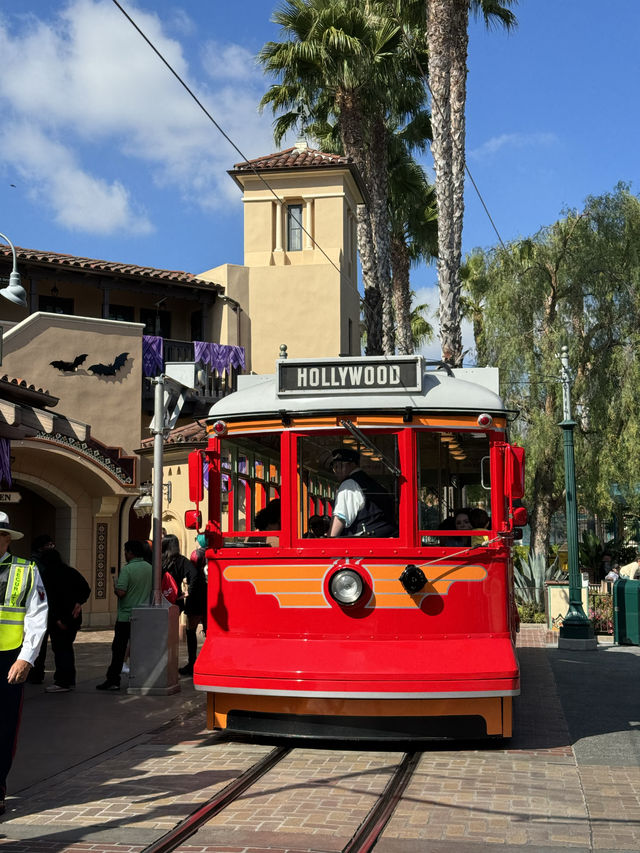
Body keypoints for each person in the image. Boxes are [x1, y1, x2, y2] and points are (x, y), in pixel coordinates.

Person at [0, 512, 48, 815]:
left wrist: (26, 658)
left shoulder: (26, 570)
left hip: (8, 660)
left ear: (7, 538)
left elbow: (37, 616)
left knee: (3, 728)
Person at [96, 540, 152, 691]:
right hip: (144, 615)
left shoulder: (127, 570)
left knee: (119, 649)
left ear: (130, 552)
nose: (125, 554)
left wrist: (115, 587)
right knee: (140, 648)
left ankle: (113, 679)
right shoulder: (150, 568)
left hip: (126, 616)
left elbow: (121, 592)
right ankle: (144, 677)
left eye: (125, 552)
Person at [36, 548, 91, 693]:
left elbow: (50, 600)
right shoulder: (71, 572)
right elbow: (86, 589)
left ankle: (62, 681)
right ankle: (68, 679)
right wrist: (79, 602)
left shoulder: (48, 575)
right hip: (73, 617)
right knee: (67, 648)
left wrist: (57, 619)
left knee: (61, 650)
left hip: (59, 618)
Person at [162, 535, 206, 677]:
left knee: (163, 633)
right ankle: (191, 662)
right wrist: (187, 593)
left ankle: (163, 663)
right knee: (180, 632)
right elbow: (194, 575)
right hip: (176, 600)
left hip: (161, 599)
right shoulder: (182, 560)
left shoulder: (160, 561)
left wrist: (189, 592)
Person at [328, 448, 397, 538]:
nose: (336, 471)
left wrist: (328, 540)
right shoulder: (373, 483)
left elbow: (339, 518)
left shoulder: (348, 485)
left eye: (338, 466)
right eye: (334, 467)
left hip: (365, 544)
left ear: (351, 465)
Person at [27, 533, 57, 685]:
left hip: (50, 608)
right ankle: (34, 671)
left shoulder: (50, 564)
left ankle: (37, 672)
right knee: (36, 641)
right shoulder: (33, 565)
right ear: (40, 548)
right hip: (37, 608)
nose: (51, 547)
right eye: (48, 545)